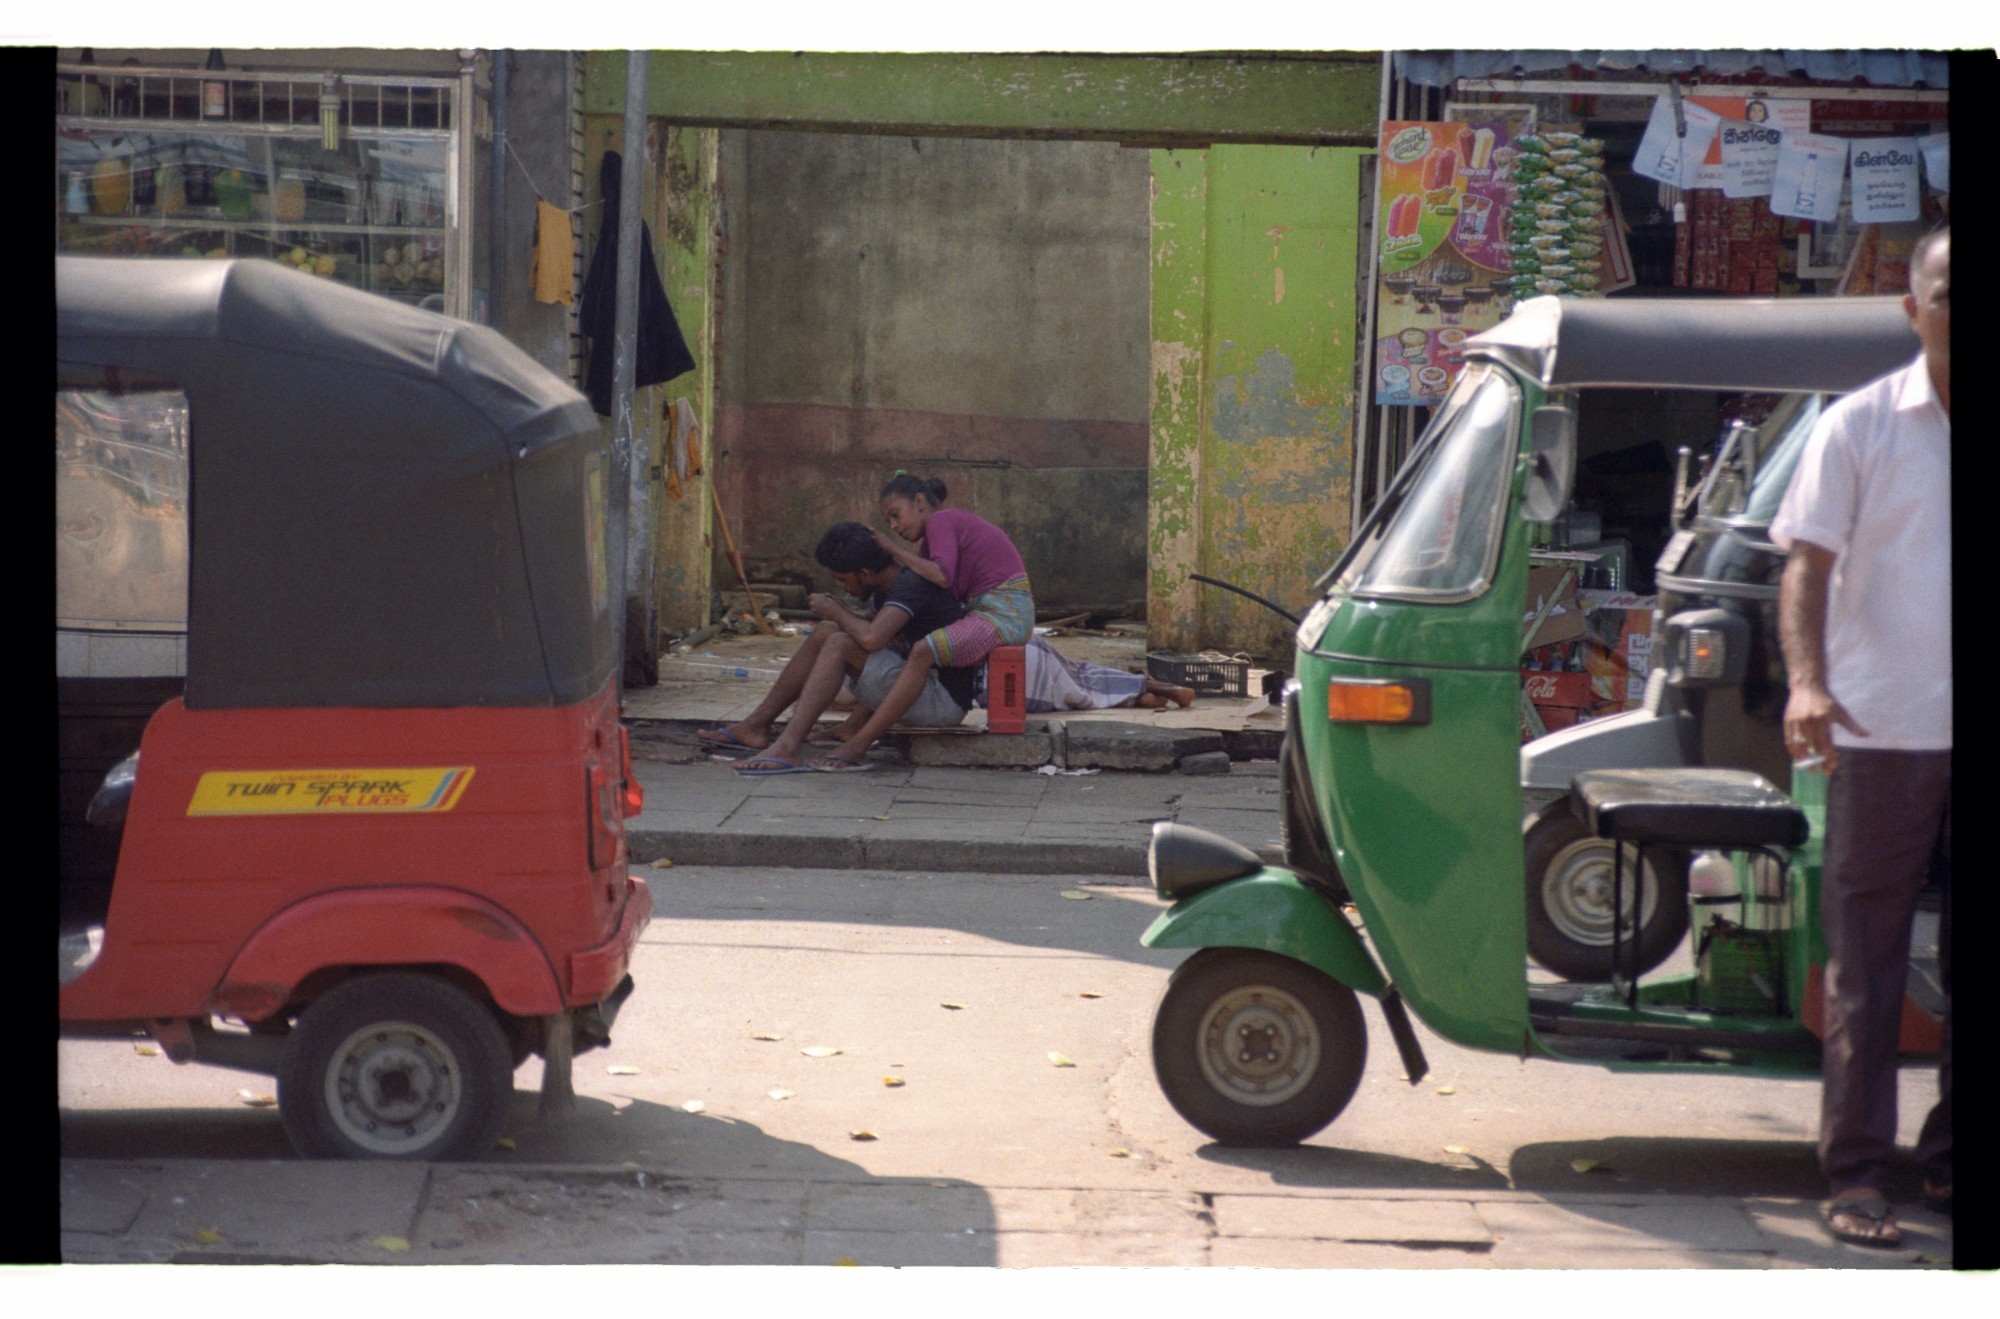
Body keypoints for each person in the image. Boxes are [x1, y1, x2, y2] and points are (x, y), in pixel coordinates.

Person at [1771, 226, 1949, 1249]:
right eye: (1947, 291)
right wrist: (1805, 680)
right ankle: (1853, 1176)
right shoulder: (1859, 426)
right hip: (1883, 730)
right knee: (1867, 962)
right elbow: (1804, 564)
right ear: (1911, 307)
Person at [698, 522, 978, 774]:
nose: (843, 588)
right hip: (917, 688)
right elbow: (870, 633)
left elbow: (871, 639)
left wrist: (834, 609)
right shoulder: (887, 589)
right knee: (827, 631)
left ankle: (788, 746)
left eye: (843, 580)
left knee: (839, 642)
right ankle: (755, 726)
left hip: (941, 701)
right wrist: (838, 616)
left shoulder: (910, 586)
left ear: (865, 573)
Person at [811, 473, 1036, 770]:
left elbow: (942, 576)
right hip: (984, 611)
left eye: (896, 515)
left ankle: (858, 745)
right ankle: (853, 727)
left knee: (922, 650)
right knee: (902, 648)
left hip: (1005, 614)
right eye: (888, 521)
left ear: (919, 502)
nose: (894, 526)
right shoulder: (928, 546)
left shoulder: (942, 521)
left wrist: (892, 548)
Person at [1018, 635, 1195, 713]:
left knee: (1074, 689)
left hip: (1009, 682)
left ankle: (1141, 695)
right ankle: (1151, 687)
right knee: (1081, 677)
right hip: (1019, 651)